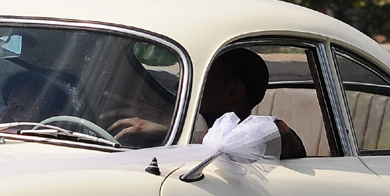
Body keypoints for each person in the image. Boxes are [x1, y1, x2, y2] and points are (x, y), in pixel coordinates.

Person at [109, 47, 306, 159]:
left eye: (200, 75)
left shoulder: (268, 134)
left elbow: (282, 135)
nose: (180, 84)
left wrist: (175, 128)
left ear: (232, 91)